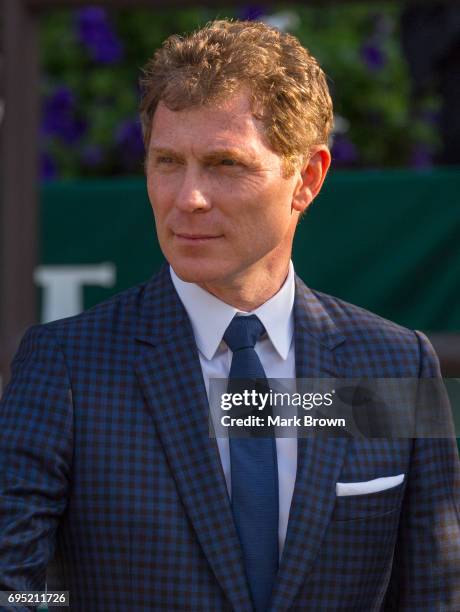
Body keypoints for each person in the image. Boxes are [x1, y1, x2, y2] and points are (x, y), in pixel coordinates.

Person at [0, 19, 459, 612]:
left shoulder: (397, 364)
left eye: (224, 164)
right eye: (167, 161)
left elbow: (433, 594)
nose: (187, 197)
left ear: (308, 179)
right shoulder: (66, 366)